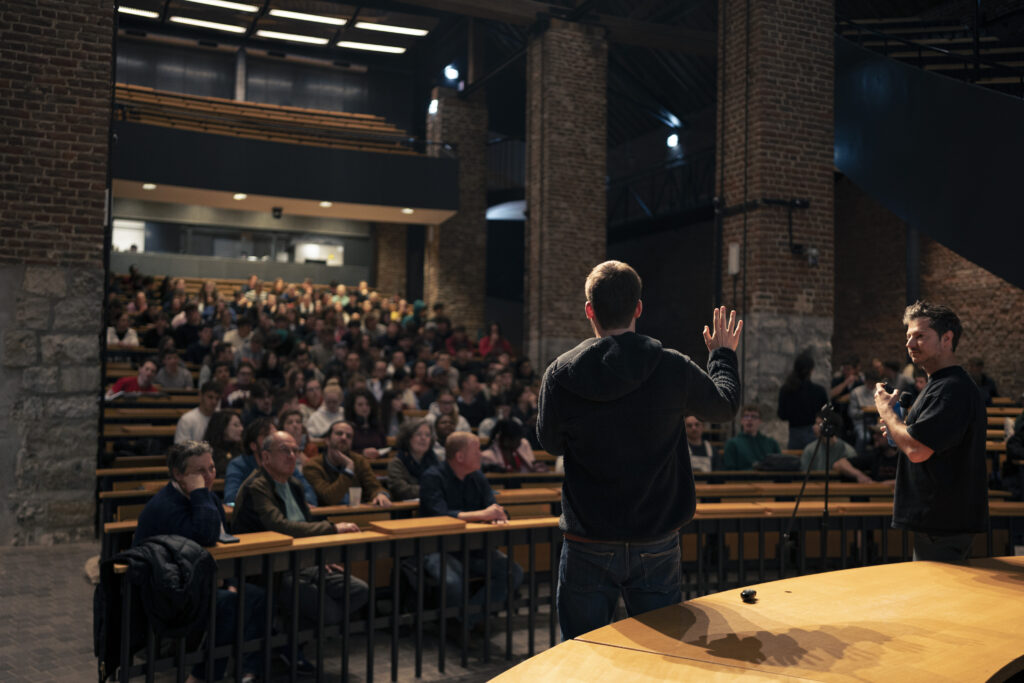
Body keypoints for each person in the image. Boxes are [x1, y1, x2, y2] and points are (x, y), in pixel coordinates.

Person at [536, 260, 742, 640]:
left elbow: (549, 443)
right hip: (655, 538)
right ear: (638, 308)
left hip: (589, 539)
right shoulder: (672, 367)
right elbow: (724, 405)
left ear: (589, 310)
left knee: (582, 652)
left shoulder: (561, 373)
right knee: (663, 650)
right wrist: (723, 355)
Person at [232, 430, 369, 667]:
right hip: (270, 569)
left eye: (295, 450)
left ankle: (288, 641)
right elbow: (281, 527)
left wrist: (320, 557)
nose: (292, 456)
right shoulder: (257, 486)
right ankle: (288, 642)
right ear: (265, 457)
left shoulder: (294, 484)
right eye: (284, 450)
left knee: (358, 590)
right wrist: (332, 529)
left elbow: (306, 525)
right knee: (328, 612)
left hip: (303, 562)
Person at [134, 441, 264, 683]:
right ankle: (201, 677)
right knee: (228, 604)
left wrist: (230, 582)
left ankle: (248, 670)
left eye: (211, 468)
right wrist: (200, 493)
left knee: (257, 597)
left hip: (201, 581)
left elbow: (223, 542)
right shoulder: (167, 505)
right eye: (199, 471)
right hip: (165, 591)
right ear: (178, 474)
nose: (209, 476)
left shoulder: (207, 499)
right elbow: (203, 537)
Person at [874, 301, 988, 562]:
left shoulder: (951, 389)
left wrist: (886, 411)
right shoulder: (940, 385)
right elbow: (920, 441)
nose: (910, 344)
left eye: (920, 336)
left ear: (947, 338)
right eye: (908, 336)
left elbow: (917, 450)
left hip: (943, 524)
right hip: (937, 523)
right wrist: (899, 431)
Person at [419, 432, 523, 628]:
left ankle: (464, 623)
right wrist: (483, 515)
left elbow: (493, 507)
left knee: (512, 572)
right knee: (453, 581)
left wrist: (498, 515)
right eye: (476, 451)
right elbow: (440, 515)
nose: (481, 454)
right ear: (459, 456)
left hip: (474, 547)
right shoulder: (433, 477)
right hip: (438, 548)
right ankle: (457, 626)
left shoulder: (477, 476)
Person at [303, 420, 391, 506]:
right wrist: (348, 471)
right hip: (329, 514)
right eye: (339, 433)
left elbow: (374, 487)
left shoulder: (359, 461)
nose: (344, 438)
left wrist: (380, 494)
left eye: (349, 436)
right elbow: (329, 498)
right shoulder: (313, 466)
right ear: (327, 440)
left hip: (358, 512)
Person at [777, 351, 828, 449]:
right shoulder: (819, 391)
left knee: (794, 458)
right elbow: (826, 414)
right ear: (811, 370)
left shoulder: (786, 389)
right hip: (813, 432)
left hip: (794, 433)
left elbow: (782, 415)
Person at [386, 419, 438, 501]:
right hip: (406, 507)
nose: (423, 438)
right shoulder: (397, 463)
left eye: (427, 435)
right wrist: (429, 489)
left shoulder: (435, 460)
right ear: (408, 438)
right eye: (418, 434)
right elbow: (400, 491)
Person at [722, 405, 780, 470]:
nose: (749, 419)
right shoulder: (732, 443)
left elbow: (780, 465)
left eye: (754, 417)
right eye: (746, 416)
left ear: (760, 421)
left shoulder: (771, 443)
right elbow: (730, 469)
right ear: (741, 421)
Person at [344, 388, 386, 458]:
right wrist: (362, 453)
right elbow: (345, 451)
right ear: (352, 407)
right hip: (356, 462)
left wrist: (378, 453)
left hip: (379, 462)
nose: (364, 408)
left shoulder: (377, 426)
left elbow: (384, 448)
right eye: (360, 405)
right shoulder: (347, 427)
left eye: (368, 404)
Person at [202, 410, 244, 476]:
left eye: (241, 425)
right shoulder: (209, 453)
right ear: (223, 427)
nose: (241, 428)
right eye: (236, 425)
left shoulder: (242, 449)